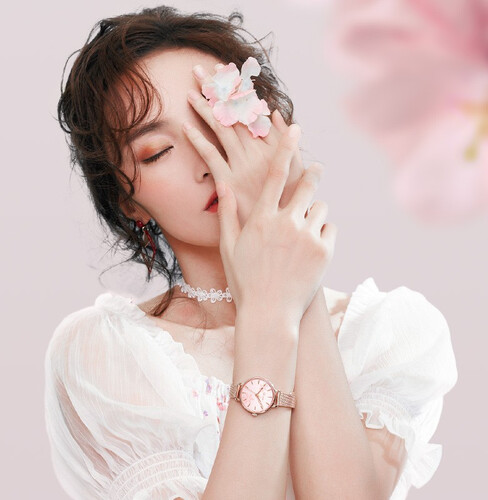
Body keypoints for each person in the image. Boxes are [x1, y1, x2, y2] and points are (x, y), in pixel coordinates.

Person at [44, 6, 458, 500]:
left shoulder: (388, 334)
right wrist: (269, 308)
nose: (209, 161)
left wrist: (293, 287)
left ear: (273, 125)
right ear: (127, 201)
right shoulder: (109, 354)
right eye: (158, 151)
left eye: (219, 119)